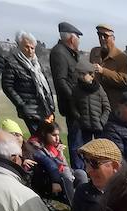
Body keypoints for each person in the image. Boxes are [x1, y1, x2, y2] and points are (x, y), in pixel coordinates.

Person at [1, 32, 56, 135]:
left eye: (32, 48)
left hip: (45, 108)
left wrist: (51, 105)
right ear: (19, 46)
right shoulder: (12, 62)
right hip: (29, 110)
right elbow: (7, 86)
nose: (30, 50)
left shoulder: (36, 63)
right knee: (38, 140)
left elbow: (46, 85)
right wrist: (22, 104)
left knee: (51, 139)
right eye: (27, 47)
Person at [48, 22, 87, 161]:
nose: (79, 41)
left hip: (78, 104)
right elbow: (61, 81)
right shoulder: (59, 53)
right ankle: (79, 170)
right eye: (78, 37)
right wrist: (75, 99)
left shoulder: (69, 53)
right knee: (77, 141)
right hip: (72, 106)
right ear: (72, 38)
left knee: (82, 140)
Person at [26, 120, 76, 203]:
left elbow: (65, 166)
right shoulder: (37, 147)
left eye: (58, 135)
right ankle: (74, 207)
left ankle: (83, 203)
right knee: (66, 178)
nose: (57, 138)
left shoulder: (55, 146)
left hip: (61, 174)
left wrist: (60, 154)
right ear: (45, 134)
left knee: (81, 174)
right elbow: (49, 164)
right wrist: (58, 157)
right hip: (47, 177)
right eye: (54, 135)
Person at [88, 25, 127, 109]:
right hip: (96, 104)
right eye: (100, 36)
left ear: (113, 38)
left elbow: (124, 80)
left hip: (114, 105)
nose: (102, 39)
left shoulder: (122, 58)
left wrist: (103, 71)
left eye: (105, 36)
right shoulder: (94, 53)